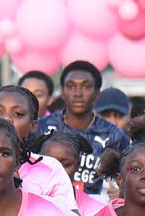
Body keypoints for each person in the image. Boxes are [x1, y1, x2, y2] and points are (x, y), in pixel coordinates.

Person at [38, 61, 128, 197]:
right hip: (49, 207)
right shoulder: (42, 127)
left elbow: (131, 173)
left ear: (97, 93)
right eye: (70, 86)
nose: (78, 93)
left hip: (96, 212)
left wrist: (122, 192)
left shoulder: (114, 135)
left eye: (86, 86)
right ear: (62, 92)